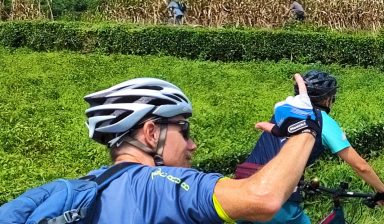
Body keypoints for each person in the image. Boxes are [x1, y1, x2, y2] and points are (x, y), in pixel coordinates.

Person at [83, 76, 322, 223]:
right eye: (184, 131)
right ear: (151, 133)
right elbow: (263, 199)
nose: (192, 144)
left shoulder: (90, 186)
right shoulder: (168, 187)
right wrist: (305, 128)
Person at [236, 70, 384, 224]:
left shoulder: (284, 113)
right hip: (273, 196)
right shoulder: (321, 121)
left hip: (240, 188)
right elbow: (361, 166)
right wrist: (383, 191)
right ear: (327, 100)